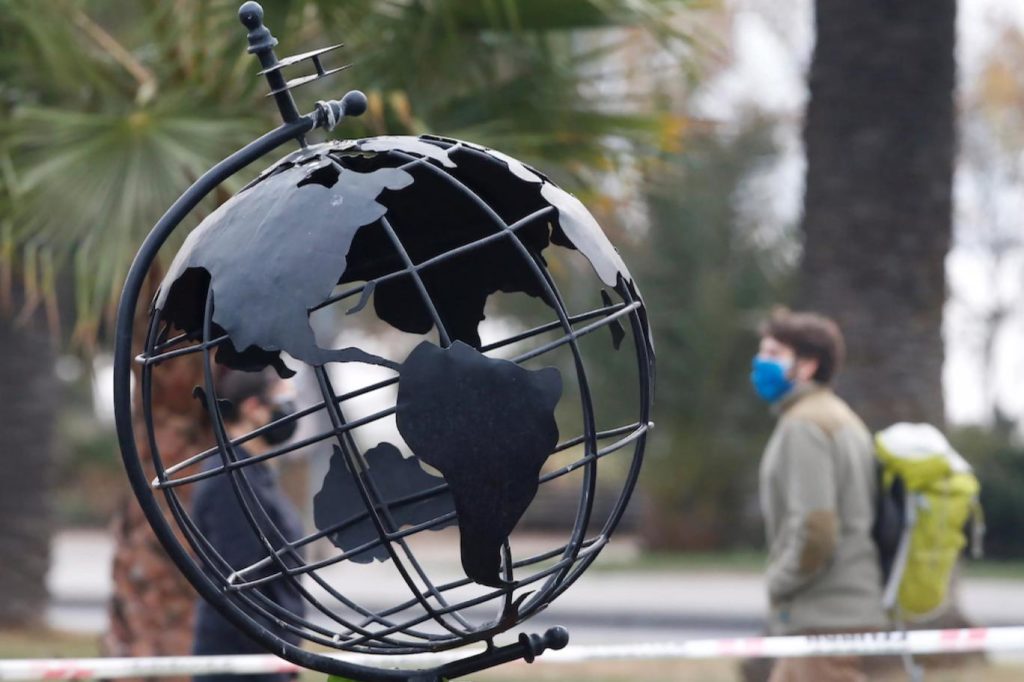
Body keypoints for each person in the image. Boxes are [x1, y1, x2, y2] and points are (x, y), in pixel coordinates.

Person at [751, 308, 887, 682]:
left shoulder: (804, 425)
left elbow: (816, 528)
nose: (760, 362)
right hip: (832, 610)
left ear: (808, 365)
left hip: (823, 613)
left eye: (774, 353)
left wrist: (779, 580)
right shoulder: (837, 415)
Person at [192, 369, 305, 682]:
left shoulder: (255, 474)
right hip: (242, 664)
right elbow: (239, 584)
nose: (290, 411)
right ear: (253, 408)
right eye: (282, 401)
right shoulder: (229, 480)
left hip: (264, 660)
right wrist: (274, 654)